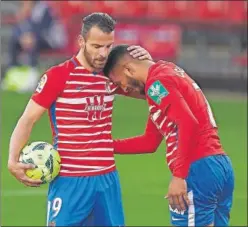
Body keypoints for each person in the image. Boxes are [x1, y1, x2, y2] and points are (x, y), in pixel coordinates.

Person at [7, 13, 152, 226]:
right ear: (81, 41)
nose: (103, 53)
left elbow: (152, 91)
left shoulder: (111, 75)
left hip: (106, 180)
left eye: (108, 46)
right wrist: (12, 159)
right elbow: (28, 119)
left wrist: (148, 64)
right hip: (70, 181)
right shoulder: (58, 76)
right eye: (96, 46)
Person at [103, 44, 235, 227]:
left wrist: (179, 176)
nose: (123, 89)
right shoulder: (165, 75)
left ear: (129, 69)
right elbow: (149, 142)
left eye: (119, 83)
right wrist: (103, 145)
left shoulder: (157, 84)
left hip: (196, 170)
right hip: (219, 166)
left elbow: (188, 123)